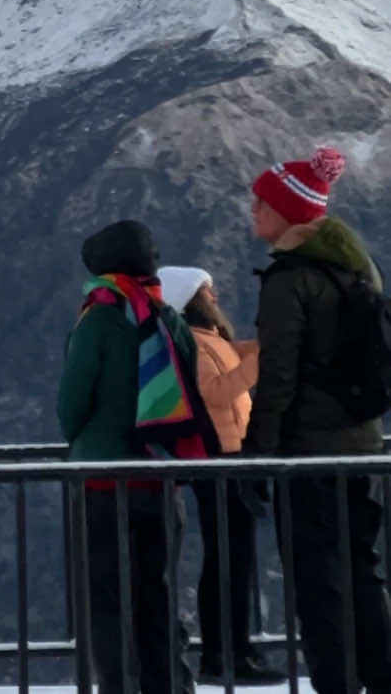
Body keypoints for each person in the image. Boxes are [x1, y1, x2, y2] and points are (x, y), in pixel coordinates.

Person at [243, 146, 391, 694]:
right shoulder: (358, 265)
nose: (253, 210)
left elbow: (278, 375)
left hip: (308, 450)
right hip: (362, 443)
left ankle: (337, 683)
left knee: (316, 576)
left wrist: (258, 454)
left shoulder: (290, 279)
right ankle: (381, 676)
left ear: (288, 212)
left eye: (261, 203)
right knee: (360, 565)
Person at [58, 220, 218, 694]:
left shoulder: (100, 318)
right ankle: (167, 683)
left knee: (107, 597)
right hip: (160, 475)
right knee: (159, 591)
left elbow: (72, 402)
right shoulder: (168, 318)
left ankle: (118, 686)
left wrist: (84, 441)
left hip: (103, 477)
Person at [158, 266, 280, 684]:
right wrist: (263, 361)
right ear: (194, 298)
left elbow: (235, 355)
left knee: (234, 557)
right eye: (209, 290)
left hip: (233, 457)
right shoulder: (193, 342)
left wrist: (267, 346)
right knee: (227, 556)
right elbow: (216, 391)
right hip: (219, 460)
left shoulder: (210, 340)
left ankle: (236, 647)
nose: (217, 295)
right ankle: (224, 653)